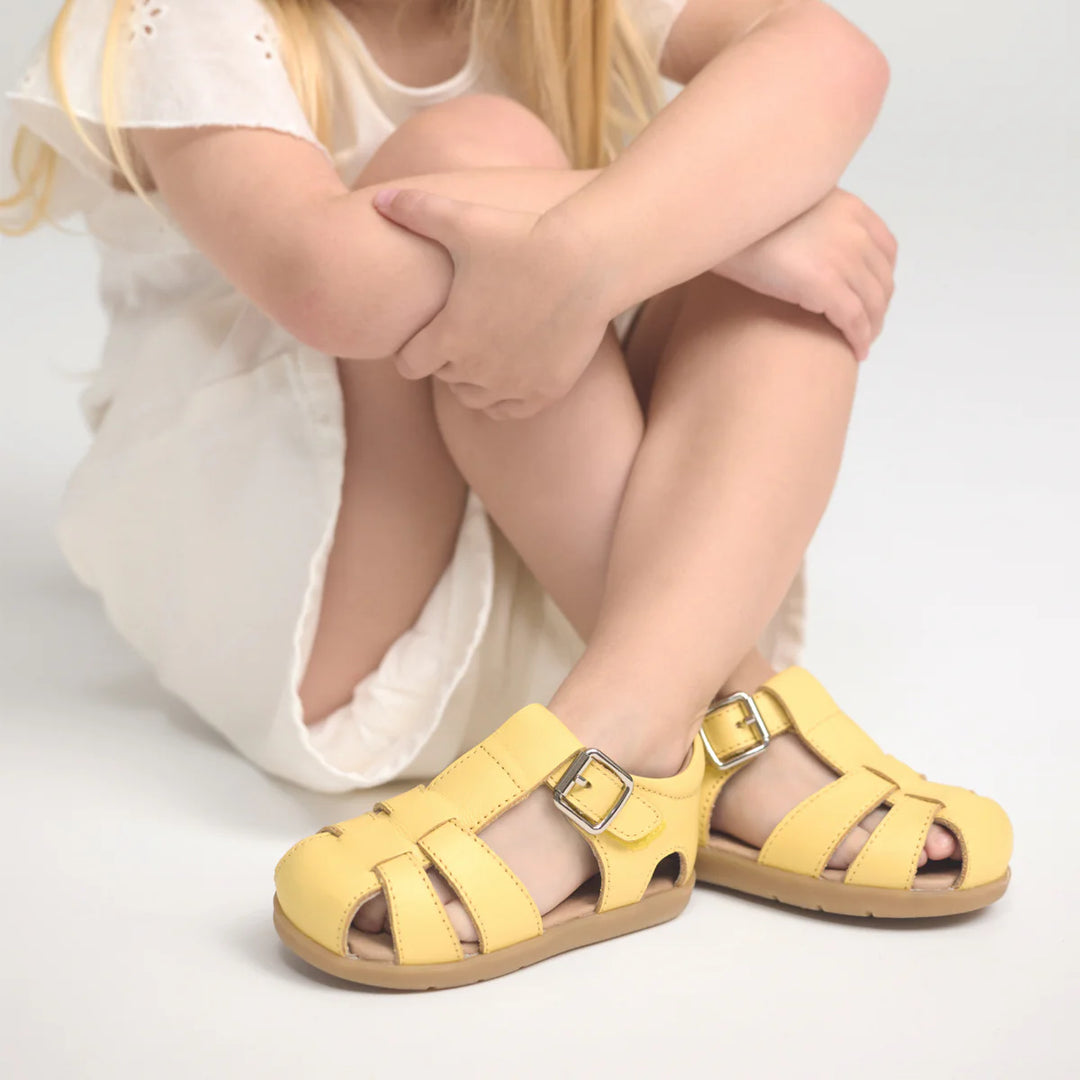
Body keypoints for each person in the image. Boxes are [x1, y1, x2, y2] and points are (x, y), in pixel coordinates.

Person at [2, 0, 1012, 990]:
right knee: (508, 153)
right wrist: (692, 228)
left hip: (567, 558)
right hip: (334, 595)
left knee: (790, 217)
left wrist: (632, 239)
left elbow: (833, 54)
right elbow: (325, 275)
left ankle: (630, 727)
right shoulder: (182, 19)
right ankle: (725, 712)